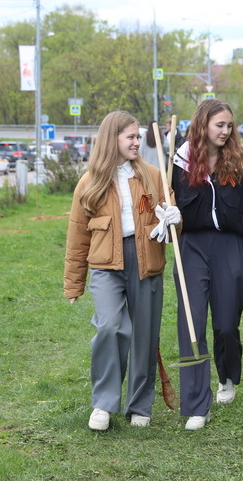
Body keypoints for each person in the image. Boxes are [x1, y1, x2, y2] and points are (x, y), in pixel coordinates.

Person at [63, 110, 181, 431]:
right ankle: (103, 404)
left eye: (137, 136)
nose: (136, 142)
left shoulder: (153, 176)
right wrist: (74, 284)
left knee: (145, 334)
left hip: (147, 261)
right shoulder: (90, 182)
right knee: (110, 326)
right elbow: (77, 237)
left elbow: (172, 226)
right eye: (130, 137)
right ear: (111, 139)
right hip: (106, 266)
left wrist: (174, 219)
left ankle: (139, 405)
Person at [172, 99, 243, 430]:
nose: (226, 131)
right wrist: (167, 215)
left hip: (230, 246)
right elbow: (166, 201)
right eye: (220, 125)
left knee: (226, 324)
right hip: (191, 247)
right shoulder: (180, 161)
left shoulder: (240, 160)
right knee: (191, 324)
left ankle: (227, 375)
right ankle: (196, 405)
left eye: (229, 125)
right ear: (202, 125)